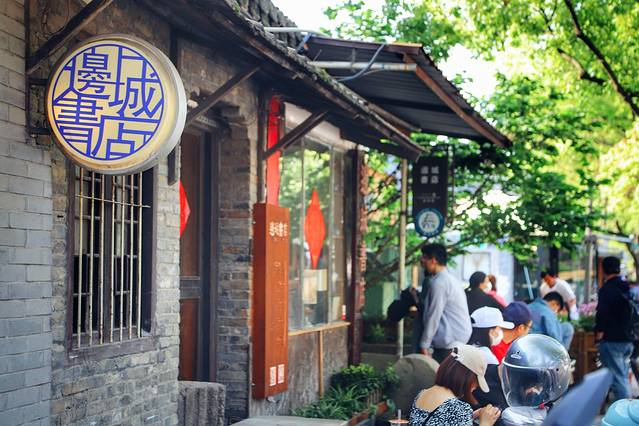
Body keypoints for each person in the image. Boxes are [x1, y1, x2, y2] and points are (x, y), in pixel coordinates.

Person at [409, 344, 501, 426]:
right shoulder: (458, 408)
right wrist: (486, 423)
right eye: (476, 382)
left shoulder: (421, 394)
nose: (475, 387)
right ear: (467, 377)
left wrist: (470, 416)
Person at [419, 244, 472, 363]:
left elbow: (433, 315)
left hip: (450, 343)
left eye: (424, 257)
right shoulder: (449, 279)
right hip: (456, 341)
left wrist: (424, 344)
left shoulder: (439, 283)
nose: (422, 261)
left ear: (433, 260)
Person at [595, 256, 634, 401]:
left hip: (612, 340)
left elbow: (602, 315)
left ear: (603, 269)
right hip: (629, 339)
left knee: (618, 379)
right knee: (622, 375)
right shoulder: (627, 287)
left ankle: (625, 410)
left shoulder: (607, 289)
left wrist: (599, 336)